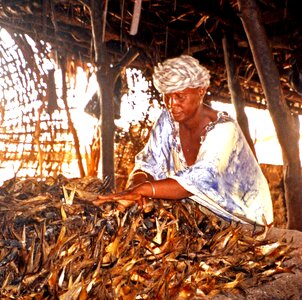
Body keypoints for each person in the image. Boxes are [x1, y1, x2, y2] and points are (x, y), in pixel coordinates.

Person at [96, 55, 274, 226]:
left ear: (201, 91)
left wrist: (144, 189)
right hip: (202, 213)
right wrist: (135, 188)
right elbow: (149, 163)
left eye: (180, 96)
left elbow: (198, 179)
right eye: (167, 96)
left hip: (246, 218)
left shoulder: (225, 130)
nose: (171, 104)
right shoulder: (168, 119)